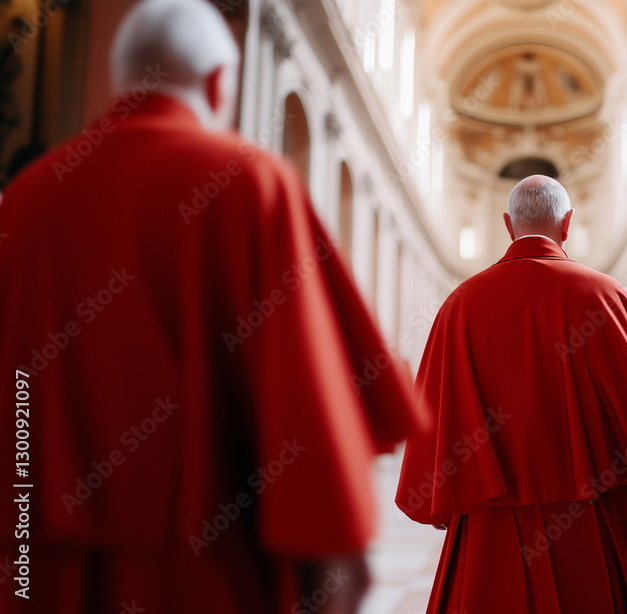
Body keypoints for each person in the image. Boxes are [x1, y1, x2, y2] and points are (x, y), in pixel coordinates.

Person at [0, 1, 428, 612]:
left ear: (123, 76)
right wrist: (341, 545)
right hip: (201, 569)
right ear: (219, 80)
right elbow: (304, 388)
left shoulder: (25, 200)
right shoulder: (249, 182)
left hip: (37, 564)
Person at [396, 175, 627, 614]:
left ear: (508, 224)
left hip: (492, 522)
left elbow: (434, 410)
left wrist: (440, 497)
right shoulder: (605, 296)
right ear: (568, 223)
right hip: (593, 522)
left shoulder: (460, 304)